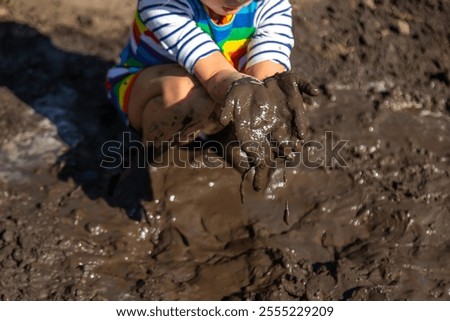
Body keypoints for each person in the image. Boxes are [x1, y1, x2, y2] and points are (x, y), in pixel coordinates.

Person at [106, 0, 318, 191]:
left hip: (224, 93)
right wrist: (242, 87)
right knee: (189, 92)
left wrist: (273, 95)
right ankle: (154, 156)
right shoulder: (162, 3)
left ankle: (223, 136)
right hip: (148, 91)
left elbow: (266, 69)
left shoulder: (271, 5)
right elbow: (215, 72)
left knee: (261, 99)